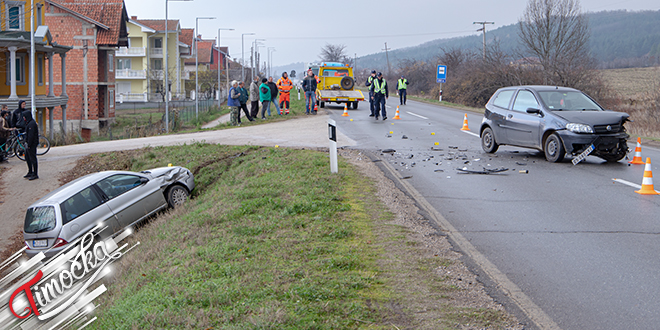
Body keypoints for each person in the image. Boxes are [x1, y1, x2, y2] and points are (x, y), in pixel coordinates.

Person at [23, 110, 38, 180]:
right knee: (27, 157)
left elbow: (31, 135)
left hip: (32, 144)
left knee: (32, 158)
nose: (23, 118)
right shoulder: (28, 123)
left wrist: (29, 144)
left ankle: (35, 173)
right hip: (28, 143)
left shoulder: (31, 124)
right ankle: (30, 171)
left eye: (24, 117)